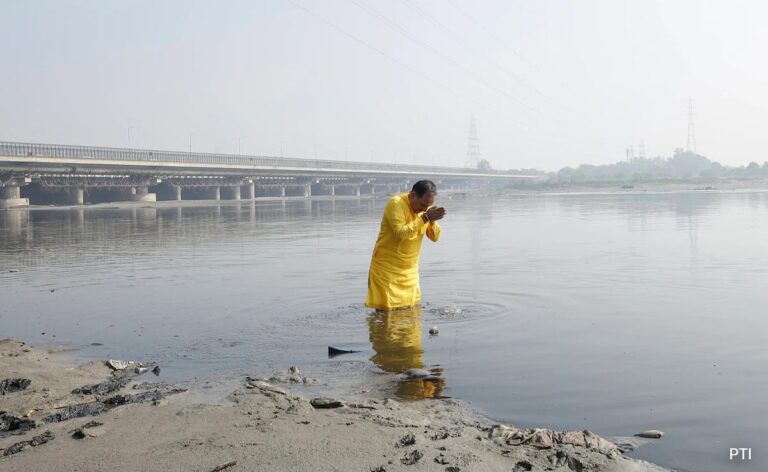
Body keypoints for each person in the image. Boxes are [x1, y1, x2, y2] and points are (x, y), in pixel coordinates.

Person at [365, 180, 446, 311]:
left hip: (410, 272)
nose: (425, 209)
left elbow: (435, 237)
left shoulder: (425, 211)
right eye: (423, 205)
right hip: (387, 271)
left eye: (429, 206)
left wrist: (432, 220)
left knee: (412, 315)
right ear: (413, 195)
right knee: (386, 316)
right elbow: (400, 233)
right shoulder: (396, 203)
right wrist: (425, 218)